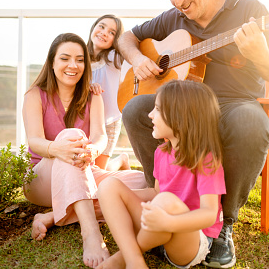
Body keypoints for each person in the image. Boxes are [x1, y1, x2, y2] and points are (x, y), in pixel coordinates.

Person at [119, 0, 269, 268]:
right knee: (135, 109)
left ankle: (224, 225)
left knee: (252, 122)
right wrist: (139, 59)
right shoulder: (174, 19)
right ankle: (162, 202)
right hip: (183, 111)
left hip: (233, 106)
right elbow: (127, 37)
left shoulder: (250, 9)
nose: (178, 2)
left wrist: (259, 52)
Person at [22, 33, 147, 268]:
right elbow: (35, 140)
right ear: (52, 62)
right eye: (65, 58)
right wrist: (57, 148)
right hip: (41, 178)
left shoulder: (93, 95)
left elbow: (100, 137)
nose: (73, 65)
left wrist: (93, 151)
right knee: (72, 136)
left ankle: (52, 217)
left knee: (142, 183)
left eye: (80, 60)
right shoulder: (34, 95)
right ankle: (91, 234)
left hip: (81, 170)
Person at [96, 80, 226, 269]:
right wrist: (121, 197)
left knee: (166, 201)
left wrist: (170, 222)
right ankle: (135, 261)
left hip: (189, 239)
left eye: (157, 109)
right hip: (157, 232)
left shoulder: (206, 159)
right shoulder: (162, 152)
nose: (150, 114)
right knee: (109, 186)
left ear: (180, 117)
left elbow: (208, 214)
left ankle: (125, 258)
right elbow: (155, 193)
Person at [86, 14, 130, 171]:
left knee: (98, 174)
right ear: (94, 27)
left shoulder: (115, 58)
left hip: (109, 122)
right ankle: (121, 160)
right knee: (86, 171)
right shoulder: (79, 58)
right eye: (102, 26)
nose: (104, 33)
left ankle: (121, 160)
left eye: (112, 32)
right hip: (84, 121)